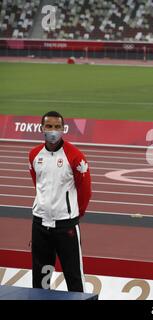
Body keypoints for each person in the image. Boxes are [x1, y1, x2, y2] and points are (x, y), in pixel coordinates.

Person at [28, 111, 92, 292]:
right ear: (42, 128)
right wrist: (42, 207)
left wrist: (73, 213)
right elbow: (38, 184)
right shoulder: (34, 155)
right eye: (49, 126)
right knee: (41, 278)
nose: (53, 131)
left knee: (74, 277)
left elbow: (85, 190)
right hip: (40, 225)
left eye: (57, 127)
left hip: (66, 227)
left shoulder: (75, 156)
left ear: (63, 129)